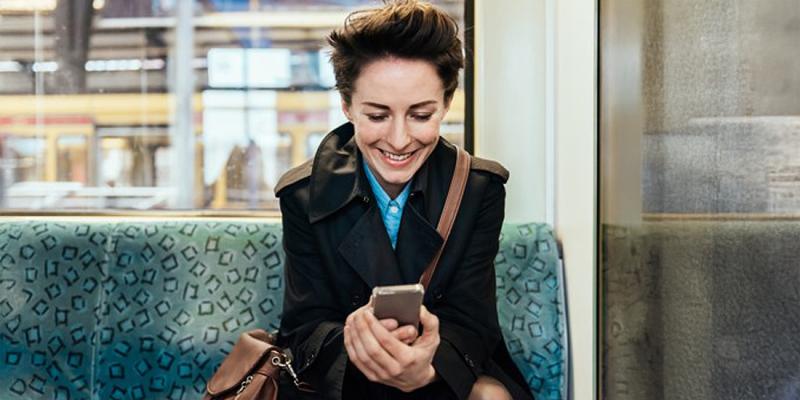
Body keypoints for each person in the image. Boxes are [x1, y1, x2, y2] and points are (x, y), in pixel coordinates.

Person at [274, 1, 533, 399]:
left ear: (446, 103)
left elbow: (472, 324)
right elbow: (303, 330)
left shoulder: (479, 189)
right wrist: (359, 343)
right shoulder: (302, 195)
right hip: (343, 382)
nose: (398, 140)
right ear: (347, 107)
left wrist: (427, 368)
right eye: (377, 116)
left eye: (421, 115)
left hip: (444, 375)